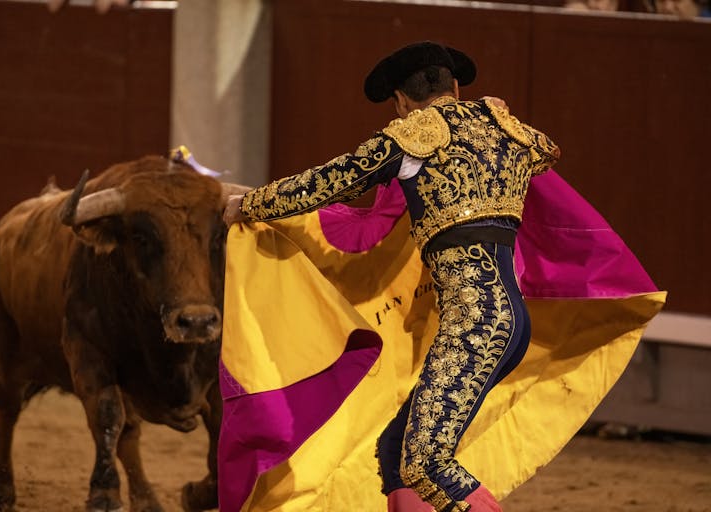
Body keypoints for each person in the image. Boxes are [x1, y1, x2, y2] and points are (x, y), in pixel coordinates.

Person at [223, 41, 560, 512]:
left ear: (401, 102)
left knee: (425, 462)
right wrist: (495, 113)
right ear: (456, 87)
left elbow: (324, 182)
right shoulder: (505, 129)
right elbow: (544, 152)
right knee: (396, 451)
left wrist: (251, 203)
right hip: (510, 321)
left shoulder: (409, 139)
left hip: (474, 325)